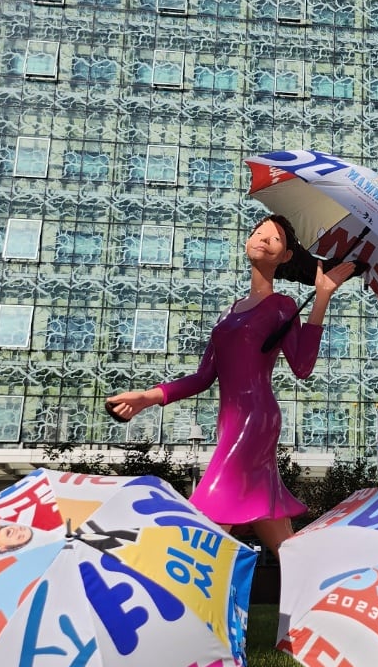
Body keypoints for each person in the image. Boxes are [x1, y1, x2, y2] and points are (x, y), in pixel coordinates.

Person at [105, 215, 355, 557]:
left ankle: (188, 588)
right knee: (282, 540)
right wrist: (148, 397)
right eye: (258, 233)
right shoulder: (228, 314)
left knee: (209, 513)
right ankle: (315, 583)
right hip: (230, 422)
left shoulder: (282, 307)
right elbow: (203, 377)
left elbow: (302, 367)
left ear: (286, 257)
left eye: (276, 238)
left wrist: (322, 296)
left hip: (256, 420)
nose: (263, 239)